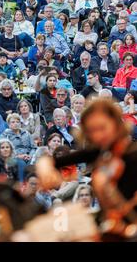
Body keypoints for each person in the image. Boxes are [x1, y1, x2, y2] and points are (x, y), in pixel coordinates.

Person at [37, 99, 137, 240]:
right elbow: (51, 161)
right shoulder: (100, 152)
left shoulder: (132, 154)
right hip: (109, 228)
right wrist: (45, 168)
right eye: (91, 131)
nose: (97, 136)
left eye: (102, 128)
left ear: (116, 125)